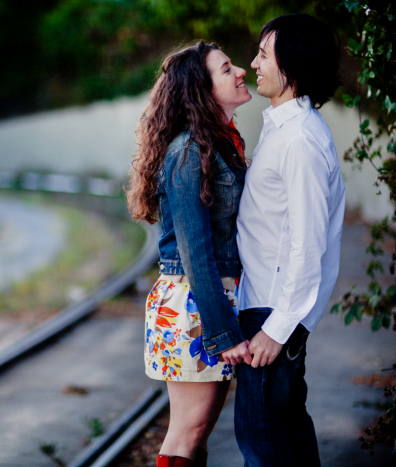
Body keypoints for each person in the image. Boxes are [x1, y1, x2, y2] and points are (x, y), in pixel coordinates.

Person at [127, 41, 254, 467]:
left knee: (197, 433)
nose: (240, 71)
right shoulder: (186, 152)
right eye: (225, 69)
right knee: (188, 431)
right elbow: (194, 251)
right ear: (202, 90)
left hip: (209, 301)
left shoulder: (218, 144)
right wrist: (224, 332)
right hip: (193, 305)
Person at [234, 14, 346, 466]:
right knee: (290, 438)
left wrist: (275, 331)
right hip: (269, 307)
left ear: (292, 65)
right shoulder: (285, 128)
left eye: (264, 54)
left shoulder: (299, 140)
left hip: (273, 312)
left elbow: (307, 244)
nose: (254, 63)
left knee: (263, 447)